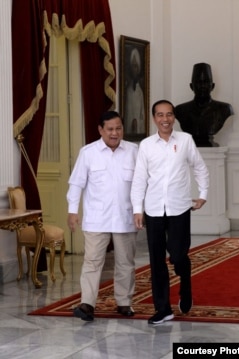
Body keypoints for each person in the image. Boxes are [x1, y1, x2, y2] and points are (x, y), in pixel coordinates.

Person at [131, 100, 209, 325]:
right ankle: (163, 309)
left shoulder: (185, 140)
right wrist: (138, 209)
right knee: (157, 261)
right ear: (154, 118)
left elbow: (199, 167)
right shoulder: (146, 145)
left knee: (177, 255)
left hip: (179, 207)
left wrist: (203, 193)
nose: (165, 119)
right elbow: (139, 179)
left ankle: (185, 282)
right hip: (154, 209)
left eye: (169, 114)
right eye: (160, 115)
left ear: (174, 117)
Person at [67, 110, 138, 322]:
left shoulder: (134, 151)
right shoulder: (88, 152)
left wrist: (140, 211)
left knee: (126, 262)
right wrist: (72, 211)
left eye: (118, 128)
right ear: (100, 130)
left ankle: (124, 302)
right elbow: (76, 183)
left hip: (125, 217)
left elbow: (142, 183)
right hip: (96, 218)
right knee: (92, 261)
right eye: (110, 129)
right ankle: (87, 303)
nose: (115, 133)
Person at [175, 63, 234, 147]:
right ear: (191, 86)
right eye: (198, 82)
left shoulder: (225, 109)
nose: (202, 86)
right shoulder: (180, 110)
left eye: (206, 82)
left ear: (212, 86)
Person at [124, 48, 145, 134]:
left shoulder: (140, 91)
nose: (134, 69)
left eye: (136, 66)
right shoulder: (127, 89)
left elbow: (142, 114)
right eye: (132, 66)